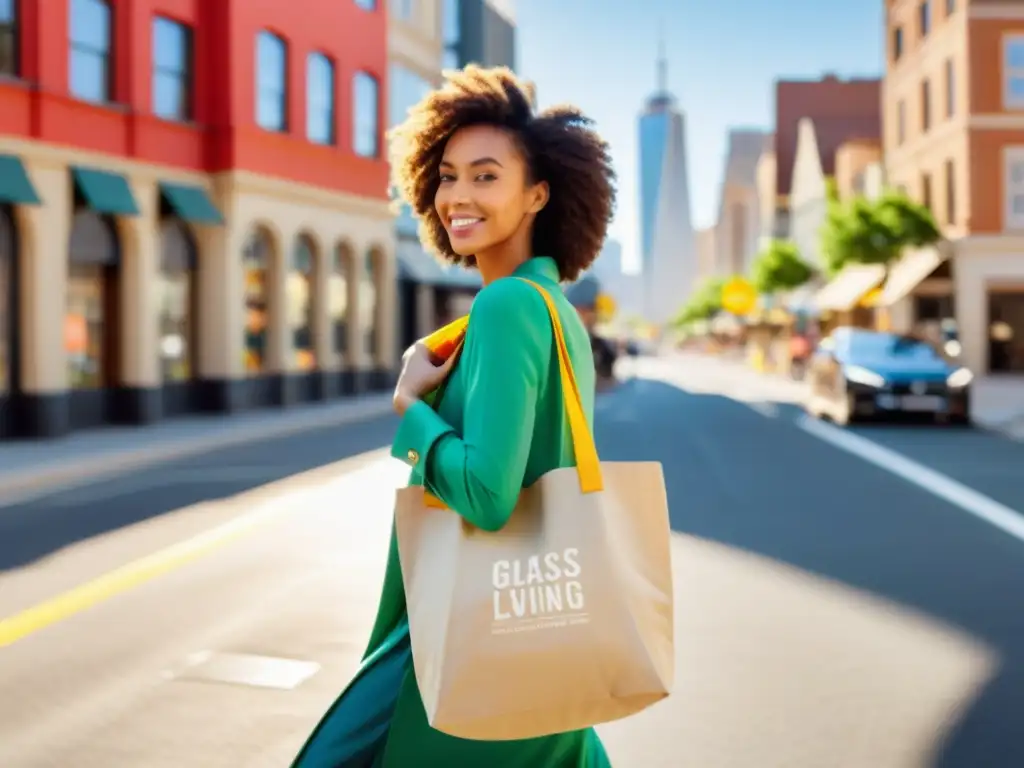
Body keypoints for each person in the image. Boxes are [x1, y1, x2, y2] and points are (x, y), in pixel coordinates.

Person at [291, 65, 616, 767]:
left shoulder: (503, 308)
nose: (457, 196)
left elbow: (488, 496)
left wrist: (410, 411)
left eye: (485, 176)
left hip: (471, 622)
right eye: (446, 175)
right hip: (536, 628)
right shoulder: (557, 311)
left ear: (539, 193)